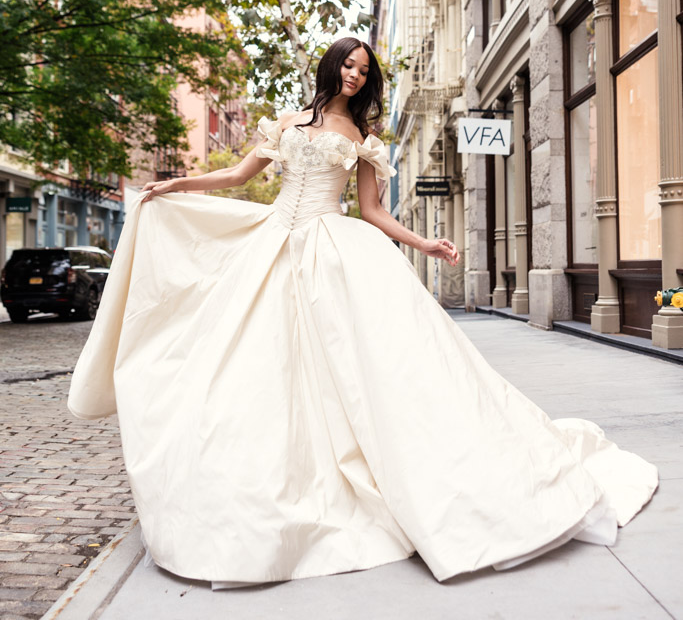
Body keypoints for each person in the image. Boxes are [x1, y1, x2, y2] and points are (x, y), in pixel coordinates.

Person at [68, 37, 657, 587]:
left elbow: (371, 210)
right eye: (349, 66)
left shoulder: (365, 138)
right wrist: (174, 186)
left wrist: (424, 242)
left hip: (331, 251)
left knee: (355, 370)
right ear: (330, 66)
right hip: (272, 244)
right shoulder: (288, 123)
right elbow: (238, 174)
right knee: (250, 371)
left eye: (365, 72)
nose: (355, 77)